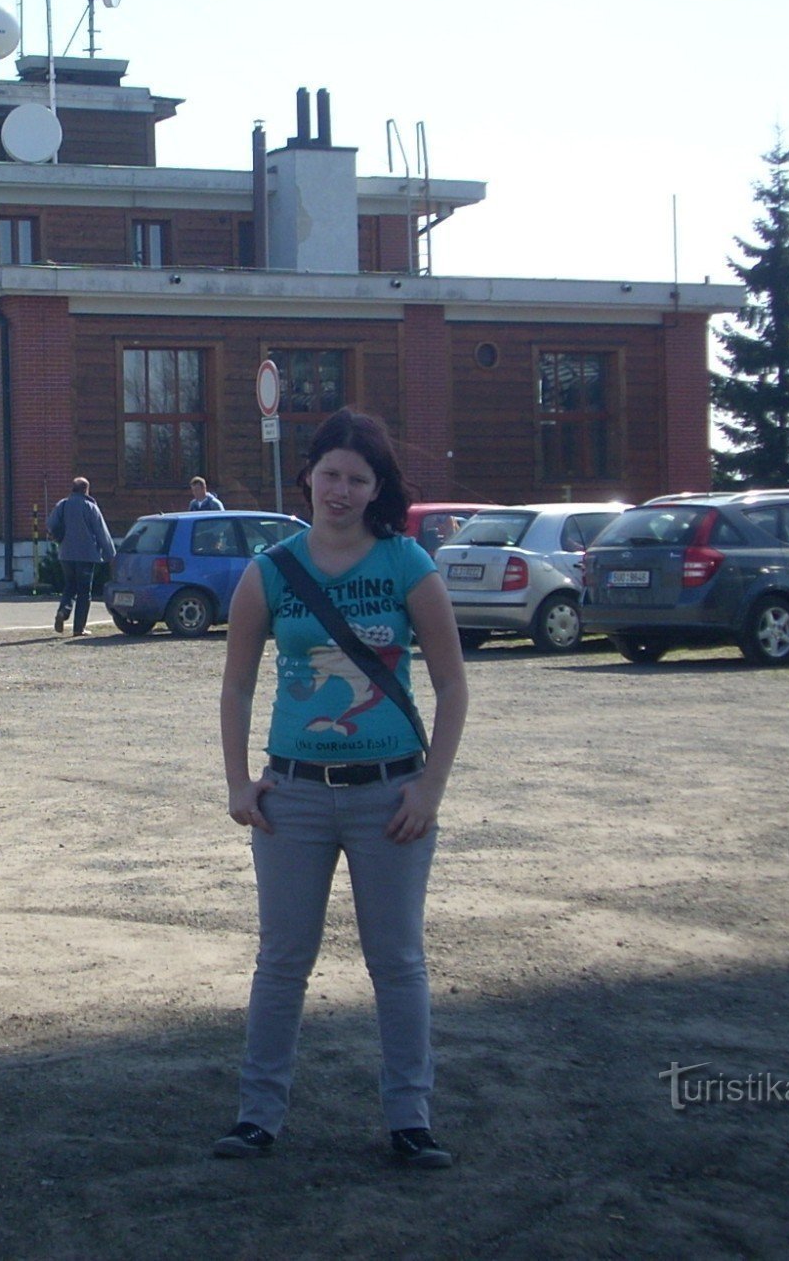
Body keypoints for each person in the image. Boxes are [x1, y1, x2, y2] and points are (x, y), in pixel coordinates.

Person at [214, 407, 470, 1170]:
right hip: (291, 794)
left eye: (359, 478)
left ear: (376, 488)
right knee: (282, 959)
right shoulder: (272, 570)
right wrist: (237, 783)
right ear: (309, 476)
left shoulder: (406, 566)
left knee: (396, 961)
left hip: (389, 799)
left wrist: (430, 789)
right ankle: (259, 1116)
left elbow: (454, 687)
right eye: (331, 473)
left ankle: (409, 1121)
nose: (342, 490)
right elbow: (234, 688)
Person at [47, 476, 115, 636]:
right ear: (86, 489)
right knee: (84, 592)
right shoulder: (90, 507)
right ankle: (79, 628)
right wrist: (111, 555)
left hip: (66, 554)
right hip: (86, 554)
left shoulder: (62, 505)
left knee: (70, 586)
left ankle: (63, 611)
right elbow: (101, 532)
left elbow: (50, 524)